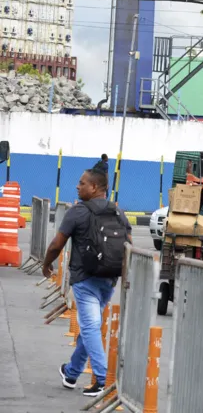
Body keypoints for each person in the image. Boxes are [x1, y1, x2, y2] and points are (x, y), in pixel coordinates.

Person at [43, 169, 132, 397]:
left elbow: (56, 244)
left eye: (82, 183)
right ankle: (72, 373)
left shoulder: (78, 212)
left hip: (85, 279)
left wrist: (46, 264)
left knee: (90, 327)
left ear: (94, 187)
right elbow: (129, 244)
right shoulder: (118, 212)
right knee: (89, 326)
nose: (77, 187)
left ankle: (102, 379)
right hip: (109, 279)